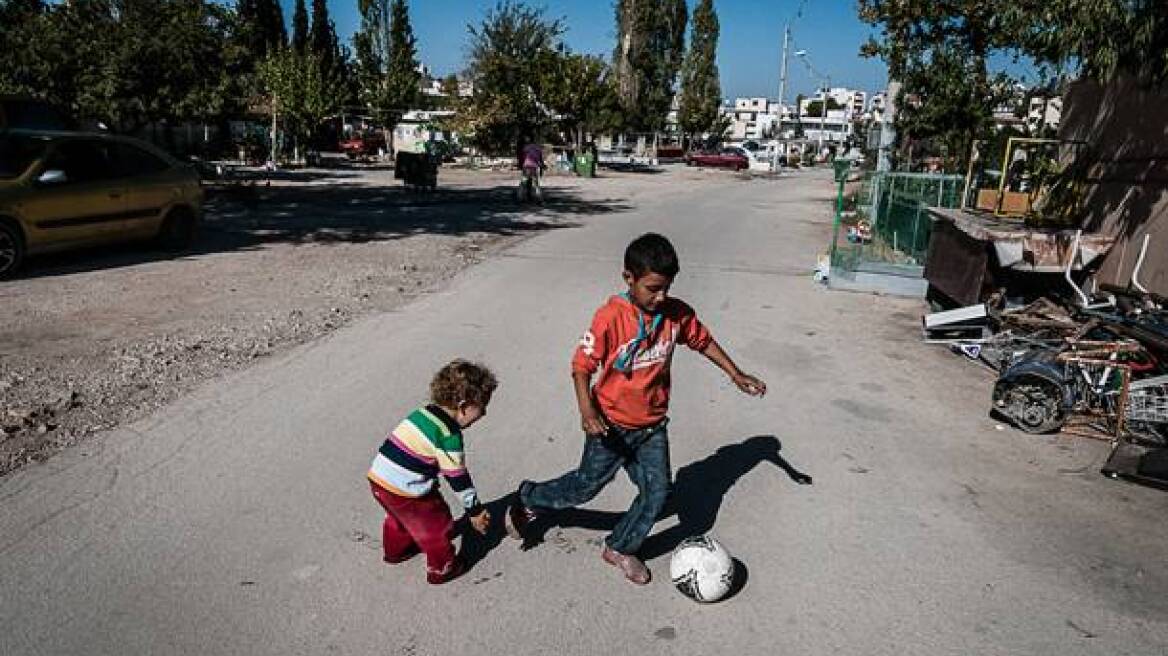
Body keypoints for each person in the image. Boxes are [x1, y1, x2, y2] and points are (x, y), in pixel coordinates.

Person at [504, 233, 767, 585]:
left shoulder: (676, 315)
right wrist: (588, 412)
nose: (661, 297)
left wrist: (735, 373)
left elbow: (703, 341)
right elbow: (581, 367)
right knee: (586, 486)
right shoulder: (611, 317)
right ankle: (529, 498)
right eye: (653, 288)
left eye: (667, 288)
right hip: (609, 425)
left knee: (658, 493)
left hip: (652, 426)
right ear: (629, 278)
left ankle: (620, 546)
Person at [367, 360, 498, 584]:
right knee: (437, 525)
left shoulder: (423, 414)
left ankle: (396, 551)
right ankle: (442, 568)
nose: (484, 413)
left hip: (379, 479)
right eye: (482, 407)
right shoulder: (448, 434)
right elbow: (457, 478)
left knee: (398, 518)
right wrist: (474, 510)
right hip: (407, 490)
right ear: (464, 406)